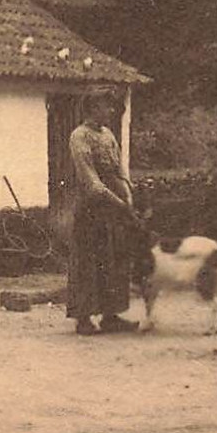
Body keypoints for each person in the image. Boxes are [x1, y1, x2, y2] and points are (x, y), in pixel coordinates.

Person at [66, 88, 140, 336]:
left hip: (115, 209)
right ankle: (84, 318)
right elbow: (91, 181)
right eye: (104, 106)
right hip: (92, 208)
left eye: (109, 106)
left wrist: (128, 193)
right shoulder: (79, 137)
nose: (109, 111)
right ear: (92, 108)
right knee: (89, 260)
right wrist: (118, 201)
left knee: (115, 258)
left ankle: (111, 315)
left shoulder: (108, 135)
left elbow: (120, 168)